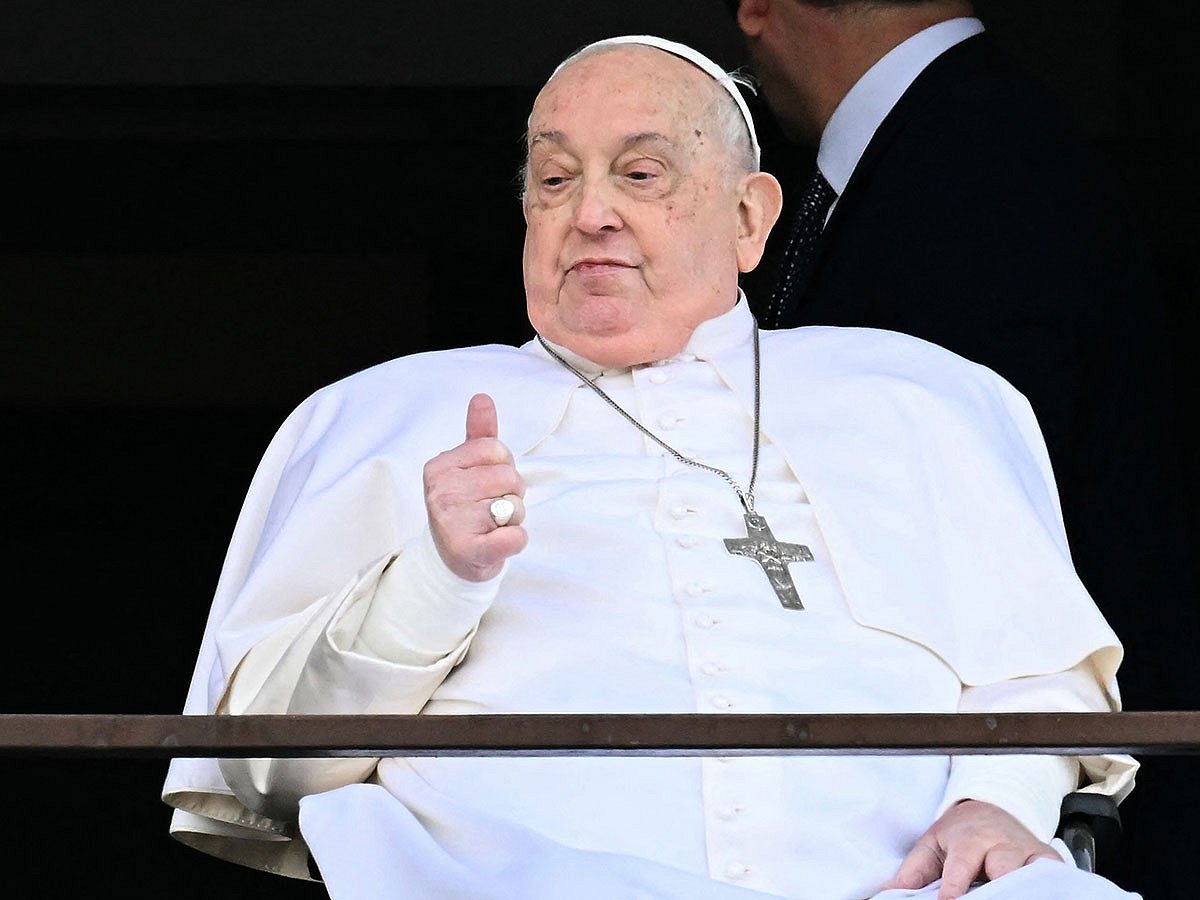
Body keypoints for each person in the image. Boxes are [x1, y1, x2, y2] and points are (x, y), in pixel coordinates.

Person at [162, 34, 1141, 900]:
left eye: (641, 175)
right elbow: (263, 770)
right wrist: (432, 579)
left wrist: (997, 802)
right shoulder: (380, 415)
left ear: (752, 217)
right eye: (554, 180)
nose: (590, 213)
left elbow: (1043, 679)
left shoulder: (917, 399)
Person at [722, 2, 1196, 890]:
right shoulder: (982, 137)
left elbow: (989, 501)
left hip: (1046, 783)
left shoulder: (978, 164)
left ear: (756, 11)